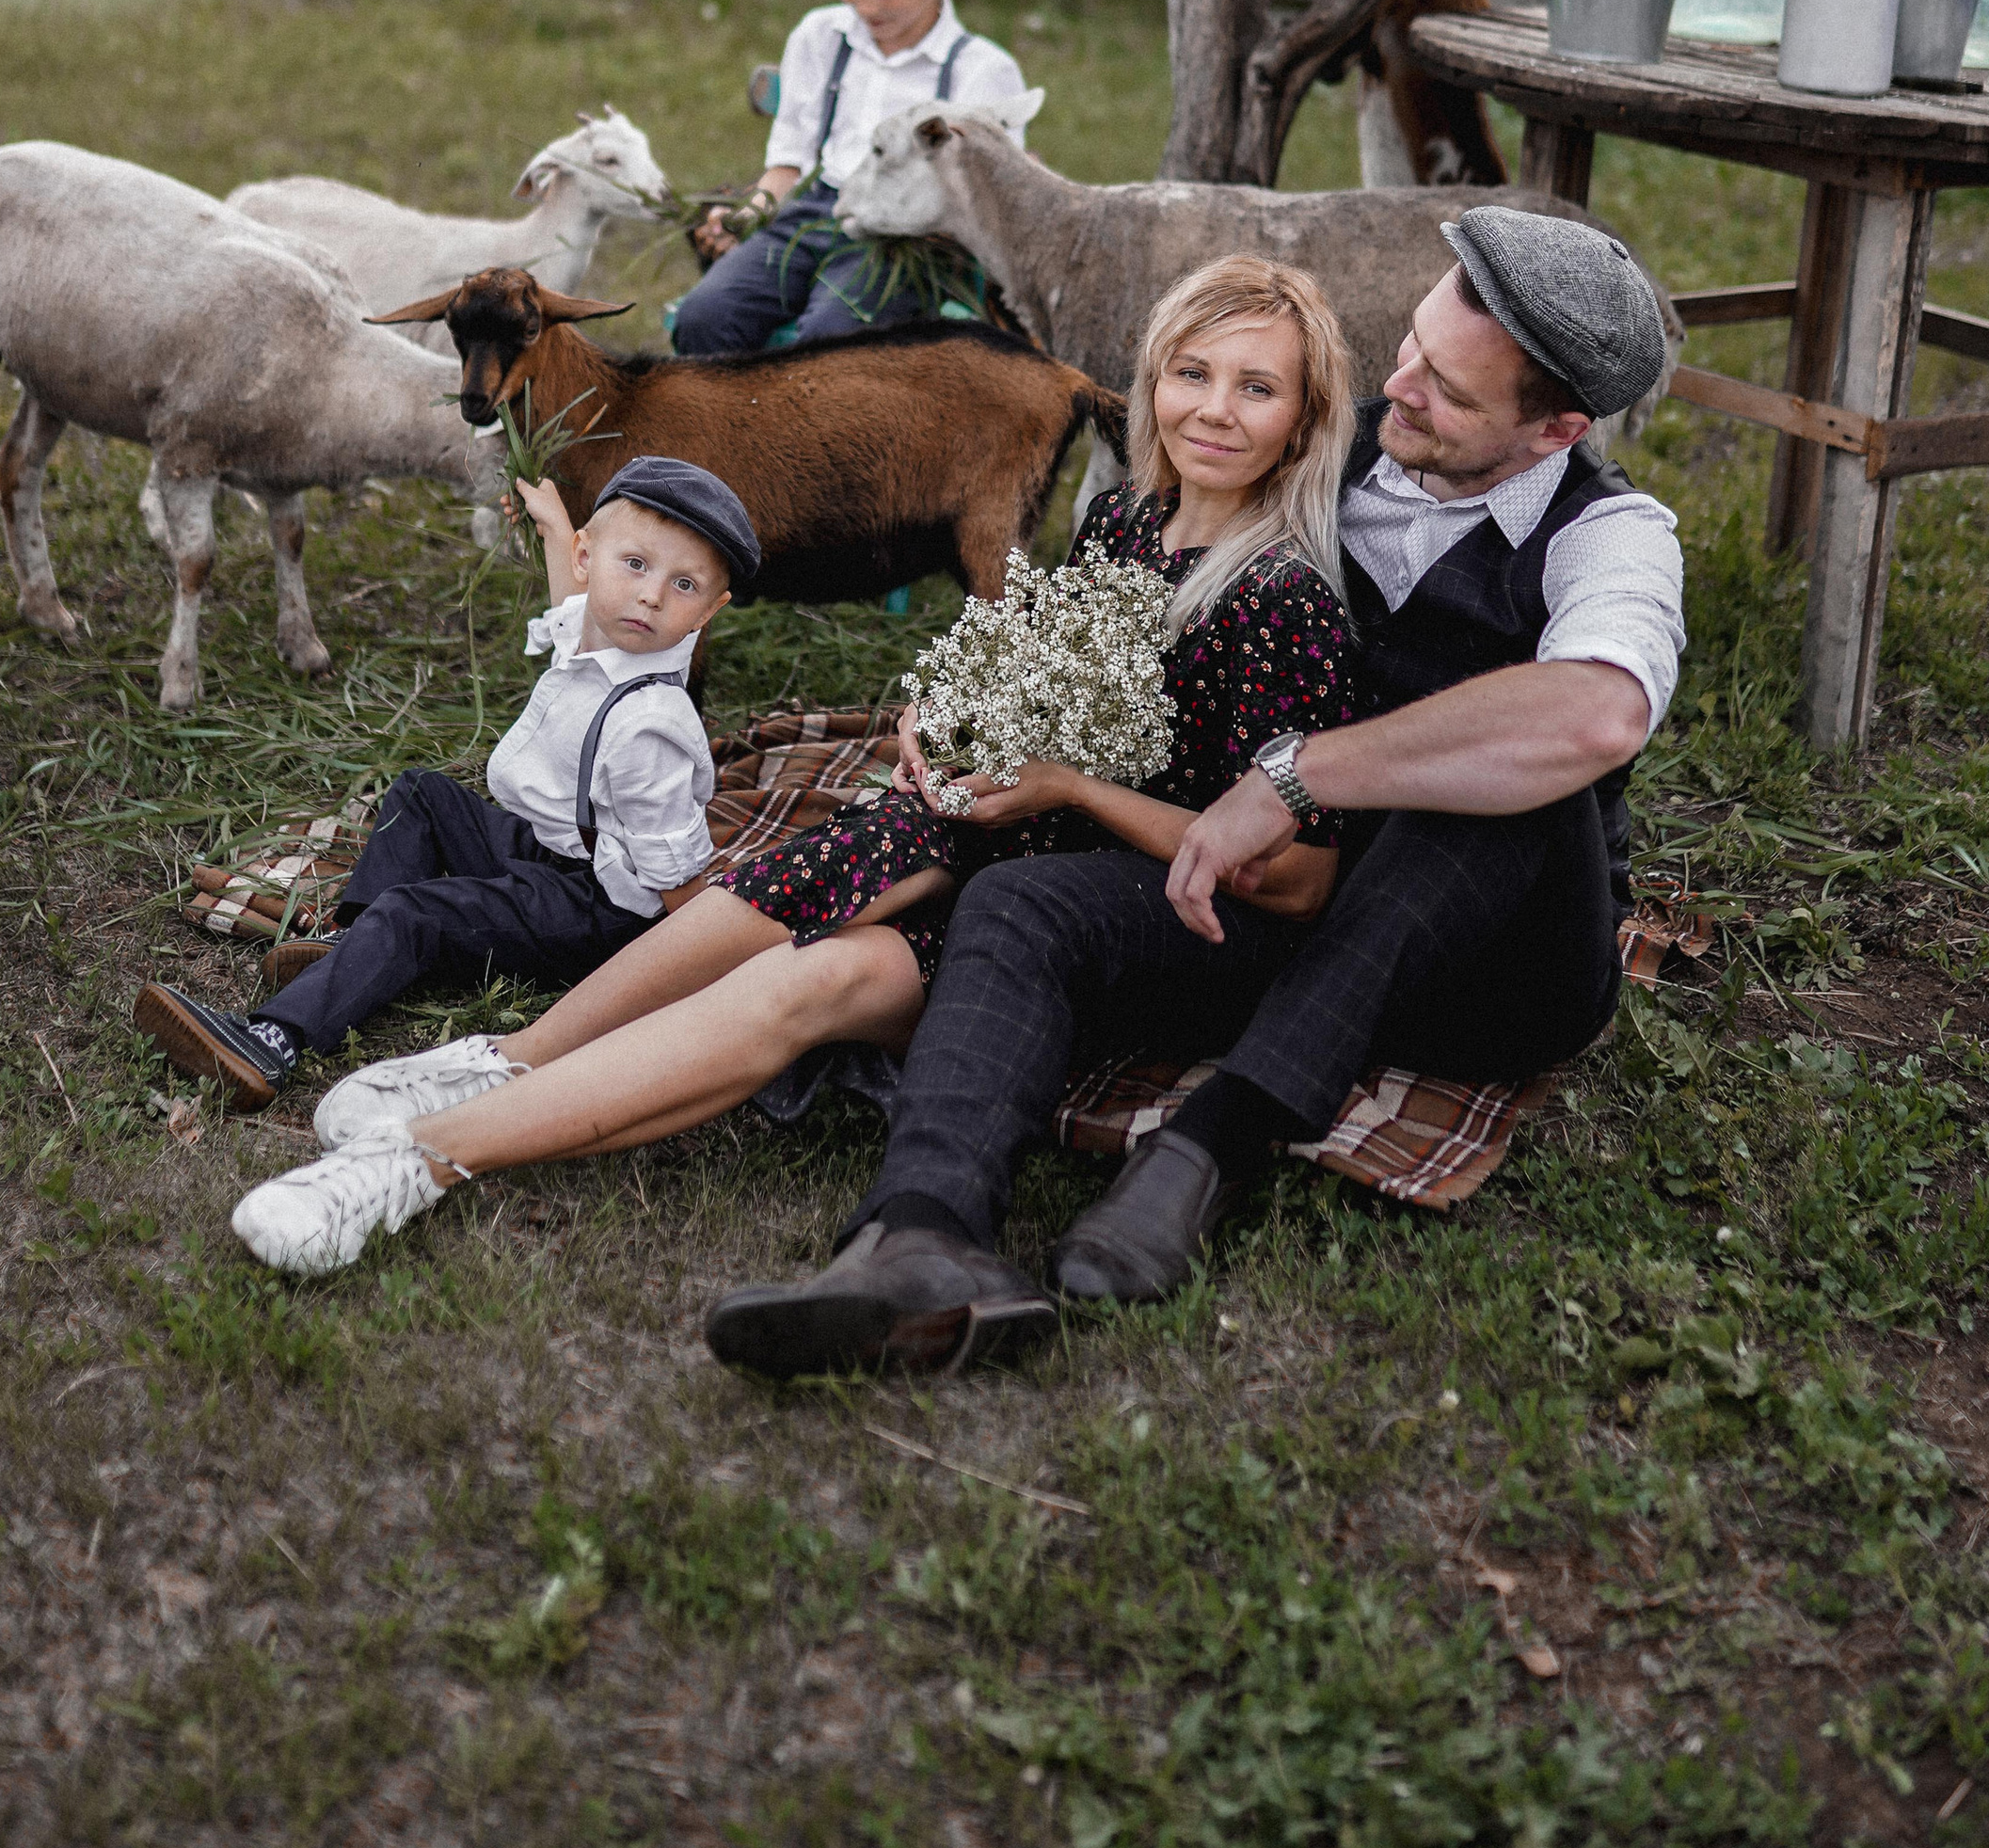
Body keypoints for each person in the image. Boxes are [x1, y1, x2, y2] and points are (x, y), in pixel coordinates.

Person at [226, 255, 1369, 1277]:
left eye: (1256, 389)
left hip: (1155, 915)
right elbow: (1037, 683)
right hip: (1030, 836)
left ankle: (419, 1161)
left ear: (1306, 420)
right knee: (855, 847)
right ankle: (509, 1060)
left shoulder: (1286, 600)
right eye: (1191, 373)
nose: (1213, 409)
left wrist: (1069, 788)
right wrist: (951, 717)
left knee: (809, 982)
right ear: (1154, 378)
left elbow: (1298, 880)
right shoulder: (1123, 521)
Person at [700, 209, 1686, 1379]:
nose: (1400, 388)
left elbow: (1597, 714)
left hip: (1492, 968)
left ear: (1555, 430)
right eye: (1411, 347)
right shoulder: (1318, 460)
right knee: (1018, 907)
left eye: (1447, 391)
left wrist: (1296, 775)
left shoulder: (1611, 535)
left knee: (1518, 768)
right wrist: (977, 707)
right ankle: (922, 1244)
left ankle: (1210, 1146)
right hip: (1282, 905)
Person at [135, 454, 755, 1114]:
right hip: (558, 851)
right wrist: (552, 524)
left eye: (683, 584)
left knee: (416, 914)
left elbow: (674, 880)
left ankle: (272, 1041)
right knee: (420, 795)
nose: (651, 595)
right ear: (587, 557)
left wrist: (715, 979)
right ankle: (349, 946)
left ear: (708, 611)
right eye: (634, 564)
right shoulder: (608, 638)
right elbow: (572, 606)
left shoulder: (650, 728)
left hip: (598, 915)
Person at [669, 0, 1031, 357]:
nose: (865, 7)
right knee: (703, 318)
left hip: (906, 240)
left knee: (830, 341)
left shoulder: (981, 71)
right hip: (813, 215)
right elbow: (789, 163)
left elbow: (985, 200)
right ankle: (737, 410)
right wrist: (747, 215)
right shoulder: (820, 36)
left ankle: (805, 408)